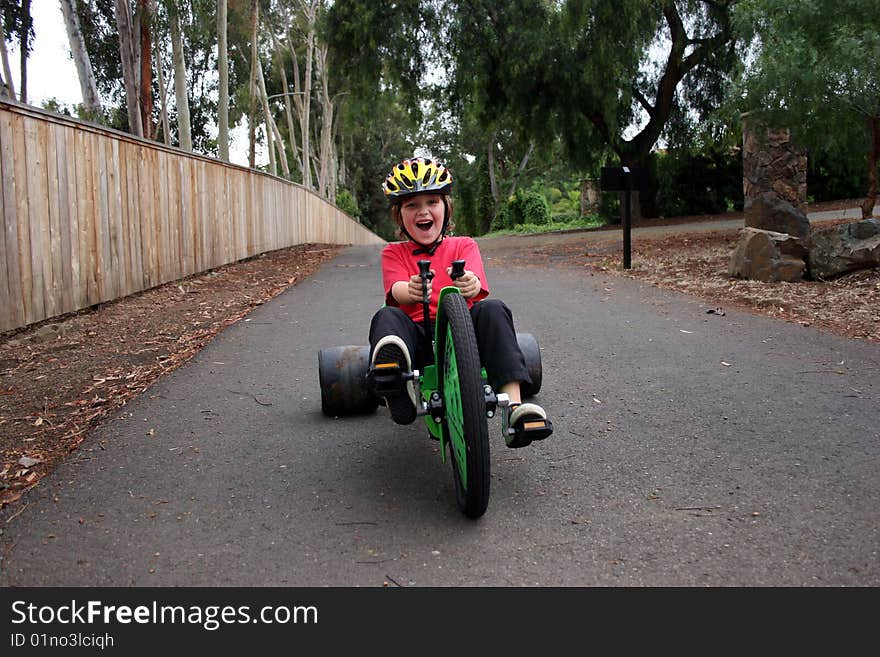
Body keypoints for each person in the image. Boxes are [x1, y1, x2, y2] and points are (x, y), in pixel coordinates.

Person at [367, 156, 553, 448]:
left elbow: (476, 284)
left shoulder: (463, 245)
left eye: (432, 202)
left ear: (446, 208)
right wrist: (412, 289)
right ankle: (395, 383)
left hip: (462, 337)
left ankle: (516, 408)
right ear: (399, 216)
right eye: (411, 205)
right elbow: (396, 289)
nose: (423, 211)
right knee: (387, 318)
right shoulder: (394, 252)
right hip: (416, 339)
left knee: (493, 309)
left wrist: (470, 282)